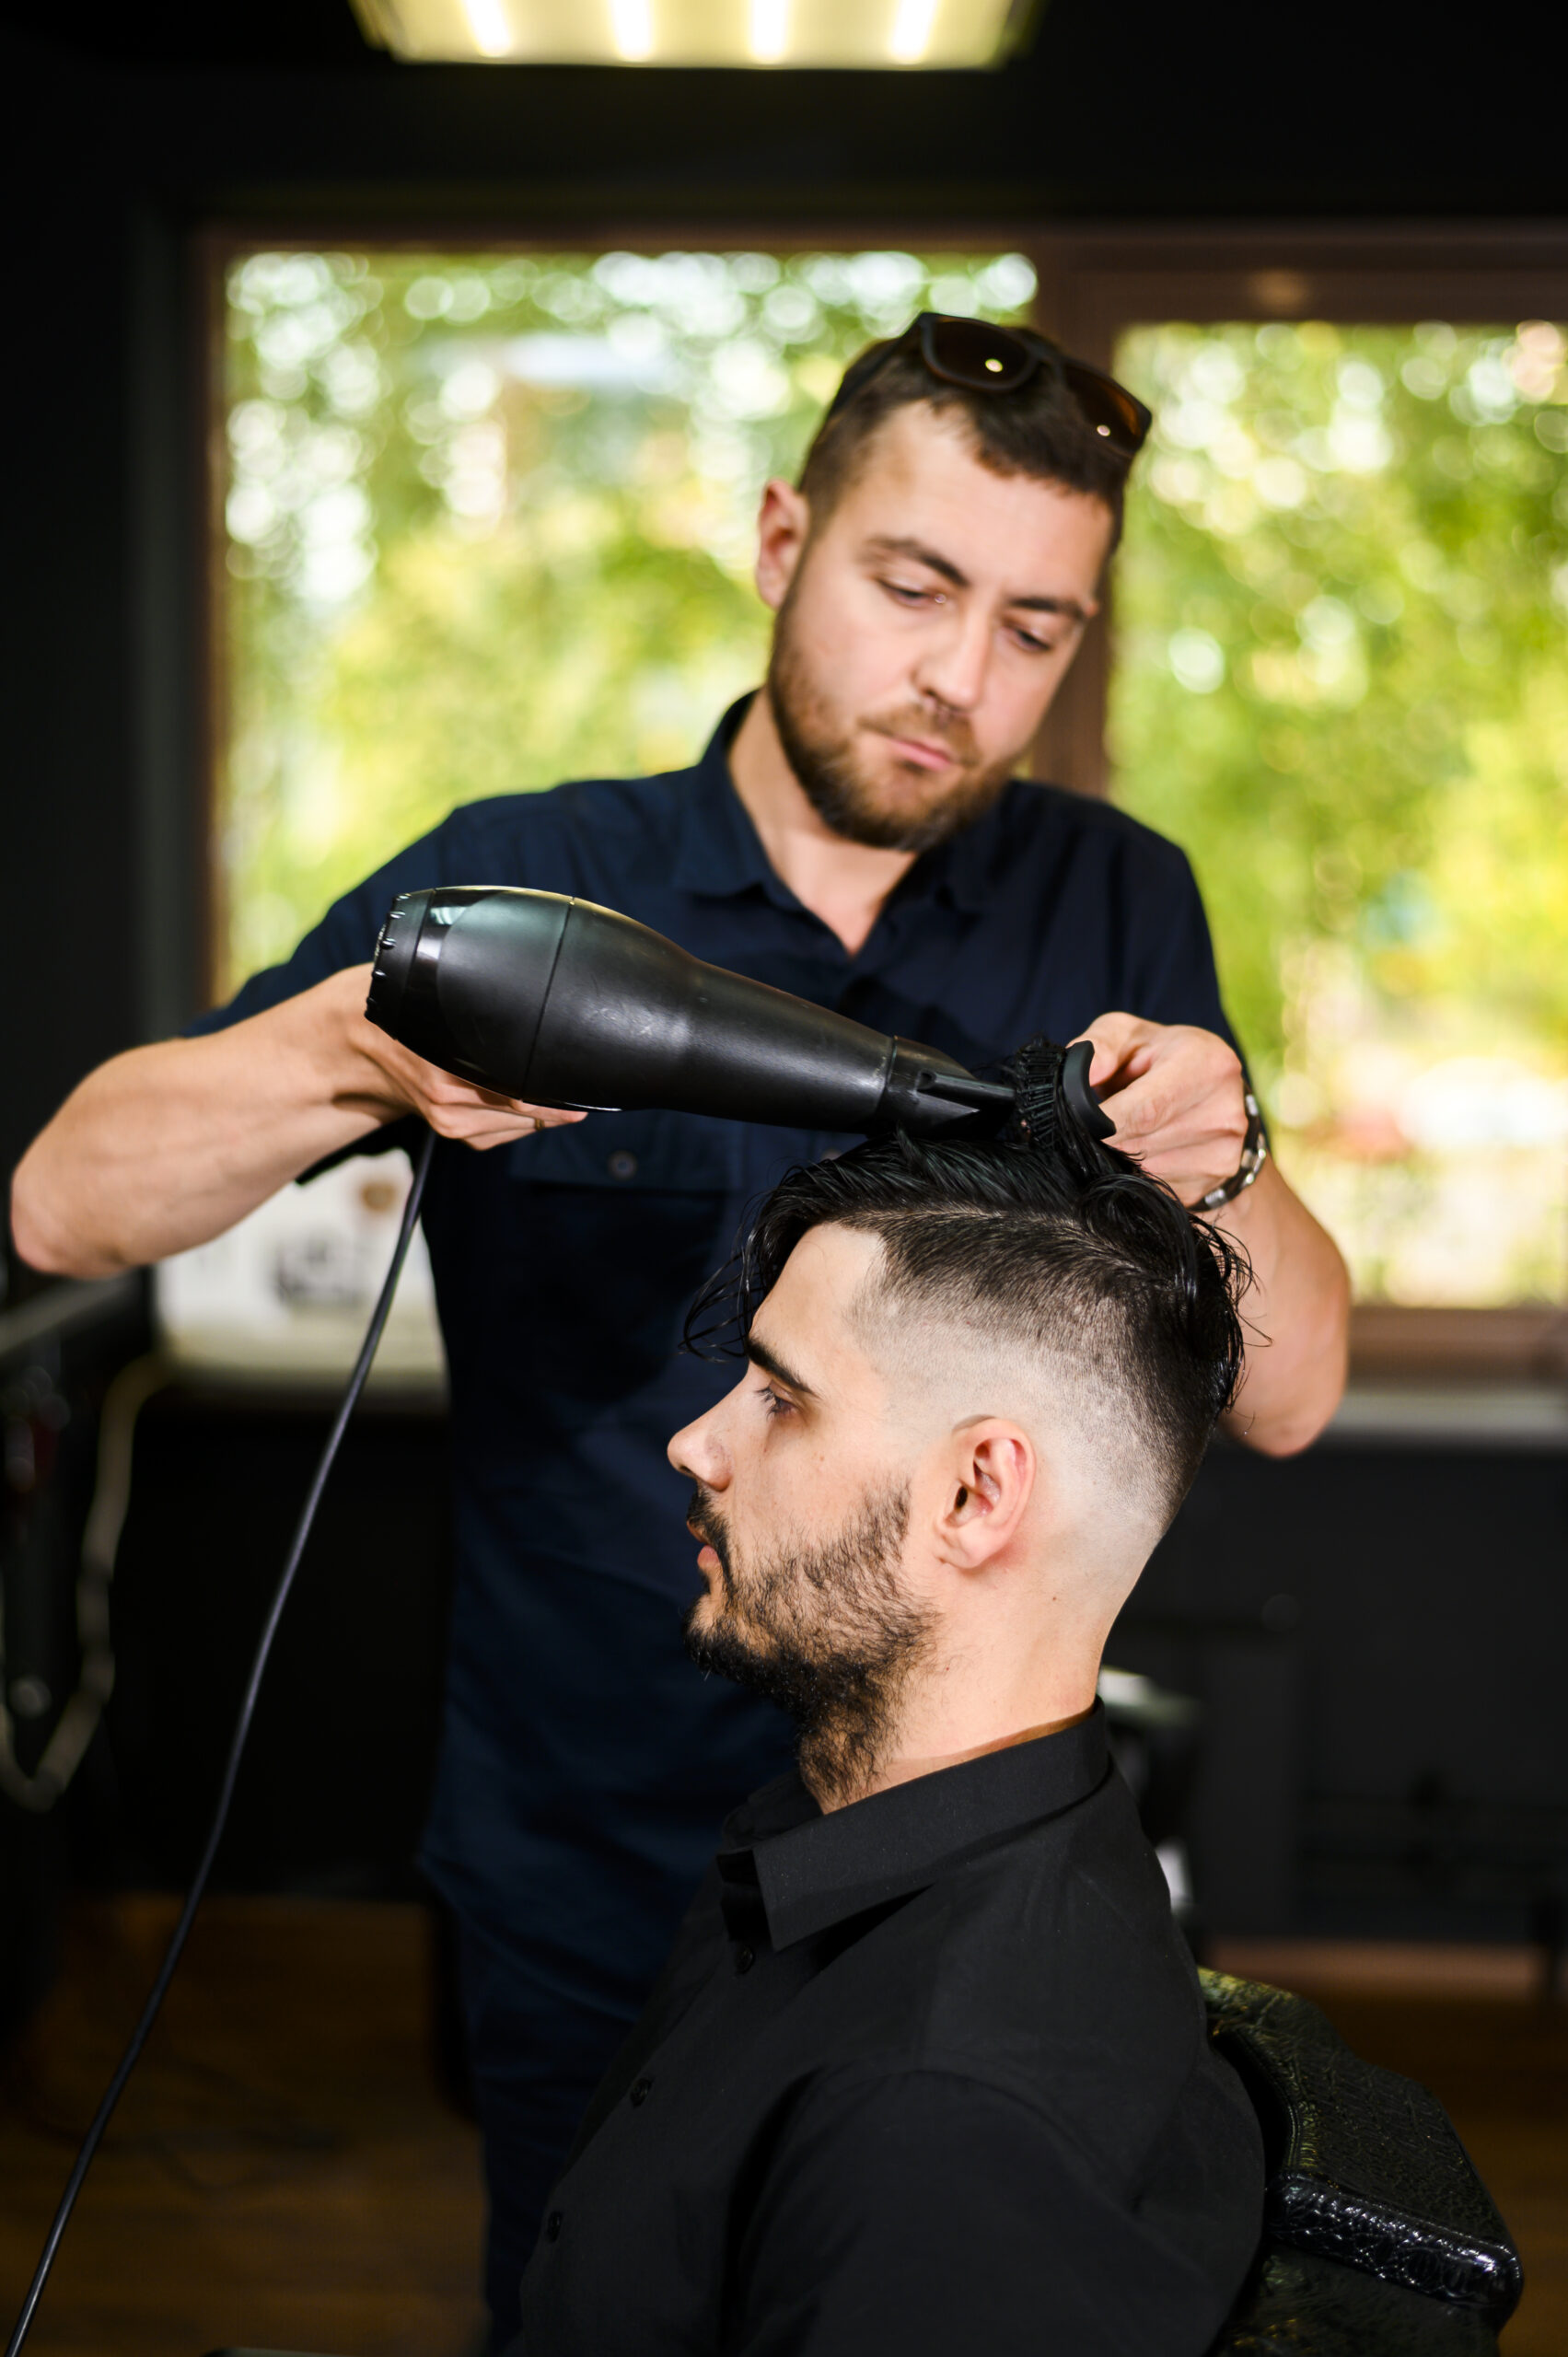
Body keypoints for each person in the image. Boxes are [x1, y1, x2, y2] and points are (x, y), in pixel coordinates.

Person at [10, 311, 1345, 2346]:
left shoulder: (1115, 900)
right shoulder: (529, 874)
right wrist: (358, 1049)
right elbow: (62, 1198)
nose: (957, 681)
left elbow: (1296, 1392)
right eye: (913, 587)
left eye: (1034, 630)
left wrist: (1227, 1150)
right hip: (583, 1847)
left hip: (963, 1878)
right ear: (782, 535)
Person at [517, 1047, 1264, 2355]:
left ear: (977, 1495)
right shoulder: (857, 1832)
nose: (698, 1442)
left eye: (778, 1398)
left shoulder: (941, 2124)